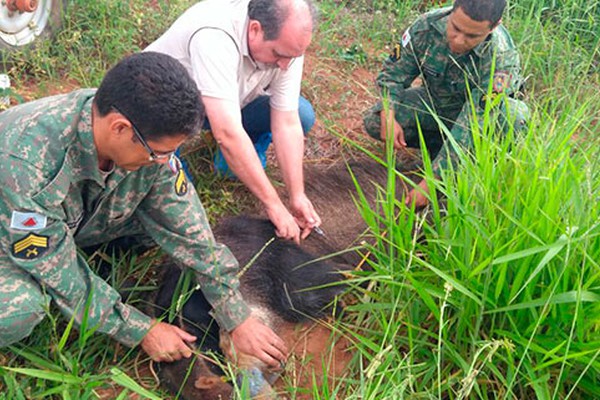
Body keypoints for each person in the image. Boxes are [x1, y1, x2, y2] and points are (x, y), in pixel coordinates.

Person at [0, 52, 287, 367]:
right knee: (19, 311)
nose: (165, 163)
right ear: (120, 128)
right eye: (158, 153)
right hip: (10, 232)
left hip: (63, 223)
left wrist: (237, 317)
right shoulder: (26, 162)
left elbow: (191, 233)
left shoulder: (141, 142)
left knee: (159, 216)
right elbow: (54, 268)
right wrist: (141, 330)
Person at [145, 0, 321, 244]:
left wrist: (297, 195)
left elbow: (287, 122)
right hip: (168, 113)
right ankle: (169, 155)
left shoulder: (287, 46)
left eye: (293, 56)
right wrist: (273, 205)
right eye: (279, 55)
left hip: (229, 103)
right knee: (182, 199)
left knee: (302, 114)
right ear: (255, 29)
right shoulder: (214, 35)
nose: (285, 65)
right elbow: (227, 132)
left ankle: (242, 150)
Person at [363, 0, 529, 208]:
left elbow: (472, 124)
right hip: (438, 106)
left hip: (478, 121)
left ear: (494, 26)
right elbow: (392, 75)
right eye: (456, 28)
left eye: (472, 36)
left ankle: (476, 170)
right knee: (375, 121)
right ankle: (436, 151)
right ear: (452, 10)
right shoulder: (426, 27)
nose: (459, 40)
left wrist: (432, 181)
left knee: (514, 117)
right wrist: (388, 114)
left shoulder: (500, 58)